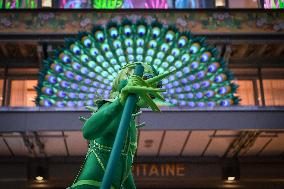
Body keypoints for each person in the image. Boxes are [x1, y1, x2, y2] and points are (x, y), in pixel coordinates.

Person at [68, 63, 170, 189]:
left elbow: (123, 164)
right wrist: (120, 101)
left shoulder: (130, 121)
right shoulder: (112, 109)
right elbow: (88, 131)